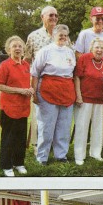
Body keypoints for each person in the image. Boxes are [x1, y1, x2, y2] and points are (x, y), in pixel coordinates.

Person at [30, 24, 77, 165]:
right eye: (60, 35)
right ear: (53, 36)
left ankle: (61, 155)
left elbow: (72, 73)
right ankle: (42, 157)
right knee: (46, 126)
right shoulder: (45, 51)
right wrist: (34, 94)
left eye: (65, 35)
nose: (63, 37)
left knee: (64, 125)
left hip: (66, 90)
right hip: (47, 90)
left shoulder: (70, 52)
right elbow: (34, 73)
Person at [0, 35, 34, 176]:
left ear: (23, 49)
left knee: (21, 138)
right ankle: (6, 166)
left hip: (23, 108)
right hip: (9, 108)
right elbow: (0, 86)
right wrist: (20, 91)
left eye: (20, 46)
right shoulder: (5, 65)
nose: (17, 48)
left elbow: (24, 83)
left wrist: (29, 89)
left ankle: (19, 163)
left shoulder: (26, 65)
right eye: (14, 46)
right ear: (8, 50)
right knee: (9, 138)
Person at [24, 6, 62, 147]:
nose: (54, 18)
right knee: (39, 116)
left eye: (56, 15)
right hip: (39, 82)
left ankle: (52, 145)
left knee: (56, 116)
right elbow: (27, 60)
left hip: (58, 83)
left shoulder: (62, 35)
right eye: (51, 15)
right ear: (42, 17)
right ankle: (37, 145)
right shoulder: (33, 36)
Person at [73, 37, 103, 165]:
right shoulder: (84, 58)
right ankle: (79, 155)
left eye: (102, 48)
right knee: (82, 127)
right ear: (91, 48)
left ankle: (96, 153)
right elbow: (77, 77)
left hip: (100, 99)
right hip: (84, 98)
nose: (99, 50)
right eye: (97, 47)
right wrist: (78, 95)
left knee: (98, 127)